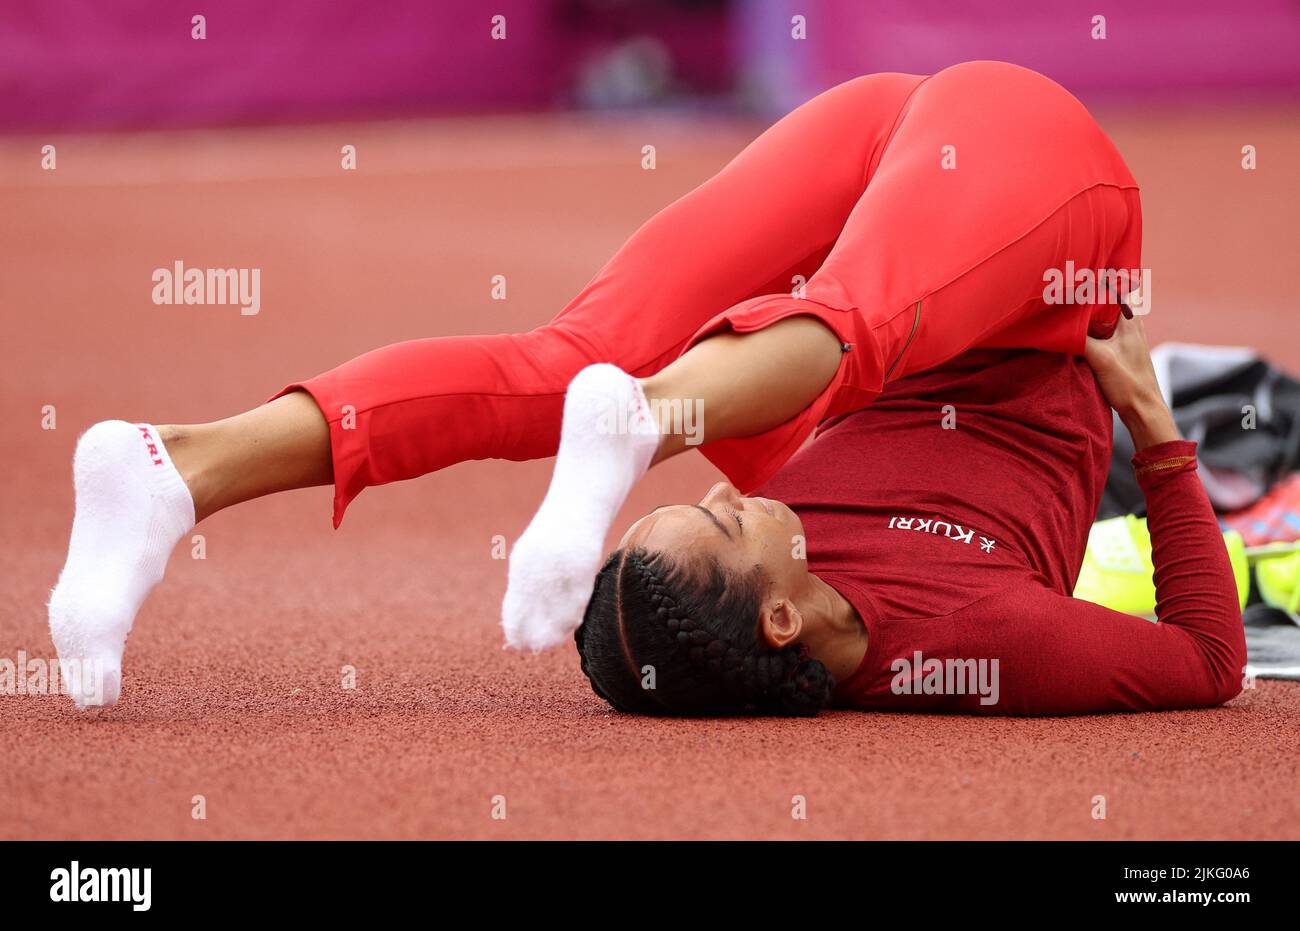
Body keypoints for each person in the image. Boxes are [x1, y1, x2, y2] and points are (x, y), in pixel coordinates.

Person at [52, 62, 1238, 716]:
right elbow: (1203, 663)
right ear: (779, 620)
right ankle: (634, 411)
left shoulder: (777, 551)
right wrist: (1157, 432)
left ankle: (179, 467)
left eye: (706, 499)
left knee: (565, 367)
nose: (734, 498)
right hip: (1029, 203)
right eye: (726, 517)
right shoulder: (977, 644)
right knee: (852, 328)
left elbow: (746, 492)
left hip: (889, 178)